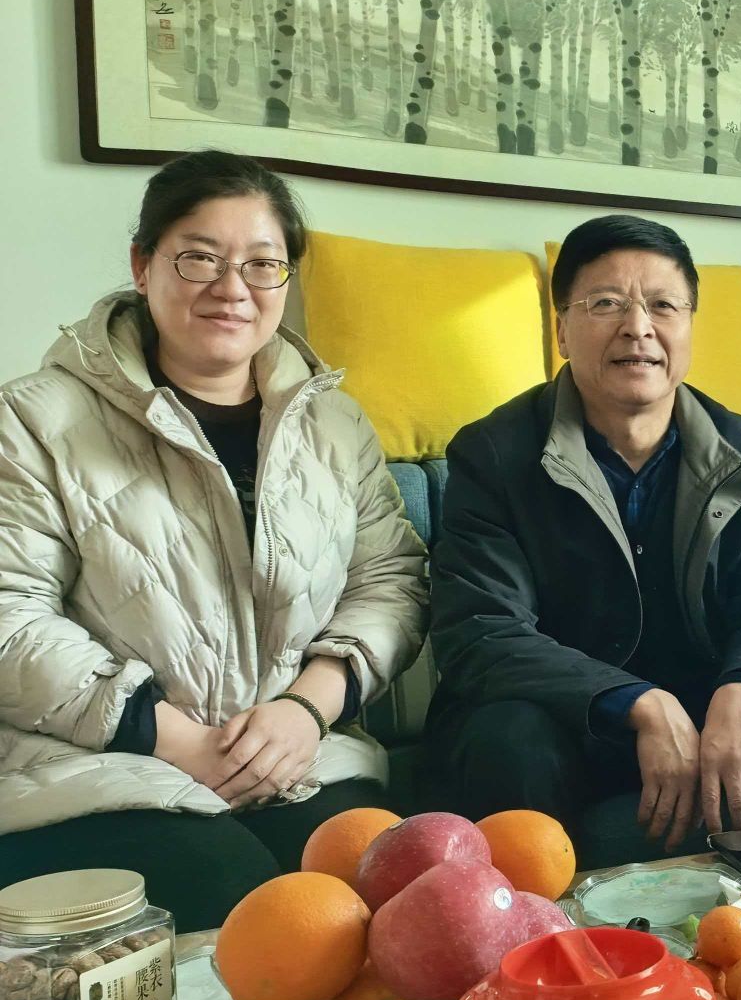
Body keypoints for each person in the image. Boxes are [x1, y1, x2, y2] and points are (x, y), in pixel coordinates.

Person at [0, 150, 428, 928]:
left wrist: (305, 710)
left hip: (302, 758)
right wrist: (175, 739)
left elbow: (392, 582)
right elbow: (10, 617)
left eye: (263, 264)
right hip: (93, 771)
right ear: (143, 265)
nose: (233, 288)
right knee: (246, 904)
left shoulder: (335, 424)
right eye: (200, 258)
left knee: (403, 895)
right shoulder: (32, 419)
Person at [427, 214, 741, 867]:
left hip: (707, 714)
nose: (638, 327)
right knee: (506, 736)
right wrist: (636, 703)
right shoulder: (493, 455)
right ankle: (537, 923)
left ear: (688, 326)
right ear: (561, 329)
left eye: (663, 306)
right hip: (565, 721)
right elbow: (480, 631)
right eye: (606, 304)